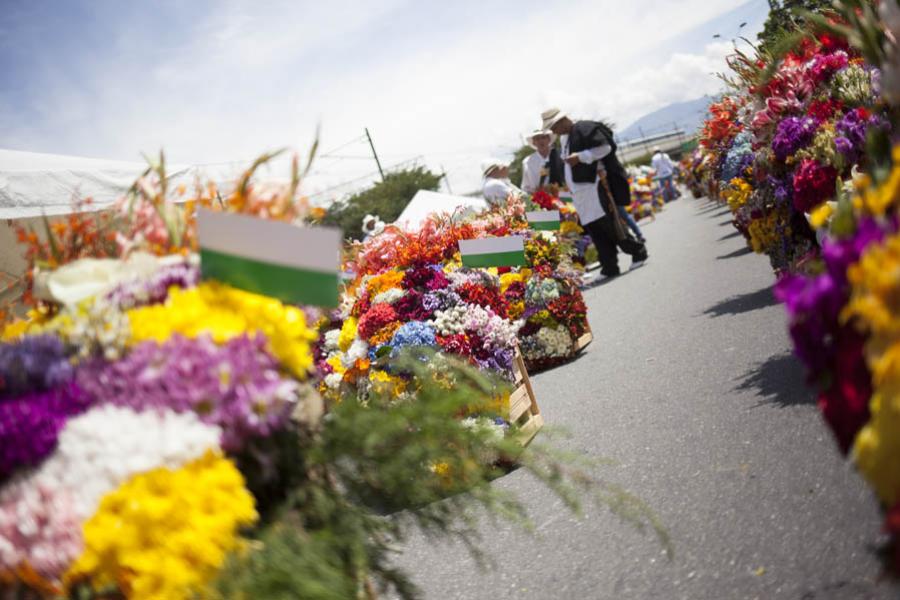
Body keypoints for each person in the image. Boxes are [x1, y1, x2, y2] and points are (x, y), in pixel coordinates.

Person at [542, 107, 647, 278]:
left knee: (611, 225)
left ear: (562, 121)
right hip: (581, 193)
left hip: (595, 187)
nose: (553, 131)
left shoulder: (584, 128)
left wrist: (581, 156)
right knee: (596, 232)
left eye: (554, 127)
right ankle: (609, 267)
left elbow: (605, 147)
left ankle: (638, 252)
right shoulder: (564, 139)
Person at [521, 129, 564, 194]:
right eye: (537, 139)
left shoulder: (560, 156)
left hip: (561, 197)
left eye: (543, 137)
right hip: (538, 198)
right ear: (533, 142)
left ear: (549, 139)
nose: (541, 141)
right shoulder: (527, 162)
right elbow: (525, 187)